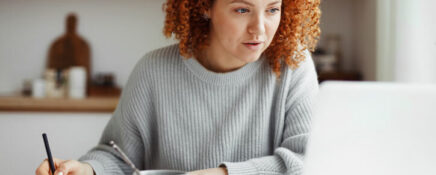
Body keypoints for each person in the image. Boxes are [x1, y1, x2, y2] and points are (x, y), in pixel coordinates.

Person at [35, 0, 321, 174]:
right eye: (242, 9)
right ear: (205, 6)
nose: (259, 28)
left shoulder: (293, 65)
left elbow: (308, 162)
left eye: (273, 9)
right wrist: (87, 170)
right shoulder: (153, 71)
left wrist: (222, 174)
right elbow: (119, 157)